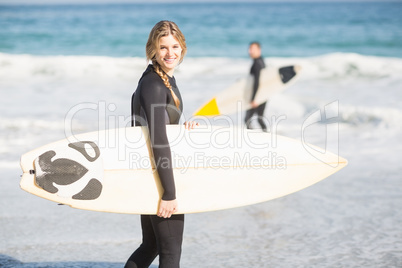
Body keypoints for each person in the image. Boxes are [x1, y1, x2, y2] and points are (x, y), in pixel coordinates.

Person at [126, 20, 196, 268]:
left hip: (152, 173)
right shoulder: (154, 84)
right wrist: (168, 193)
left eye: (175, 46)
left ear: (182, 48)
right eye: (163, 47)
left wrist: (182, 128)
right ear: (152, 49)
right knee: (170, 252)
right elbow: (157, 139)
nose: (170, 53)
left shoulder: (163, 79)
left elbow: (162, 127)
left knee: (153, 245)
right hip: (159, 178)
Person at [244, 41, 268, 131]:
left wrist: (254, 98)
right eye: (249, 49)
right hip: (262, 94)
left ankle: (259, 137)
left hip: (258, 96)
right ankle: (267, 135)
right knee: (259, 118)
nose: (250, 51)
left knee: (248, 119)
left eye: (253, 49)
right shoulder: (260, 61)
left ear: (259, 50)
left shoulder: (257, 64)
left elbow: (257, 81)